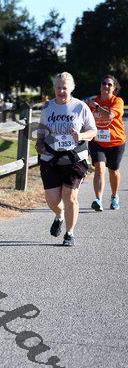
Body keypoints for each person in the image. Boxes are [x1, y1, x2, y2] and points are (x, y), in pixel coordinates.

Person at [35, 72, 97, 246]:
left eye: (64, 88)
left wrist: (81, 135)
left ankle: (69, 233)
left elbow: (93, 131)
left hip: (74, 158)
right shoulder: (47, 107)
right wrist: (39, 142)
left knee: (70, 198)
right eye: (58, 88)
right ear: (54, 88)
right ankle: (59, 215)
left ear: (72, 88)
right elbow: (41, 130)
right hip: (50, 157)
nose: (61, 91)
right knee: (52, 200)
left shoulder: (80, 107)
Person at [86, 75, 125, 211]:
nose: (106, 86)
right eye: (104, 83)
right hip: (97, 141)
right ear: (100, 86)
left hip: (116, 141)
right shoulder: (91, 102)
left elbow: (108, 116)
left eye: (109, 84)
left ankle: (114, 196)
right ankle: (98, 200)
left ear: (114, 88)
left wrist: (96, 107)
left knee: (113, 170)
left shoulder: (117, 101)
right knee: (99, 168)